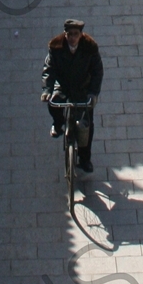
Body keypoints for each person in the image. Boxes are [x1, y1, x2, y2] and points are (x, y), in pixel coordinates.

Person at [41, 18, 103, 173]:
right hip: (63, 86)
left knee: (86, 127)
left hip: (83, 89)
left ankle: (84, 159)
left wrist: (93, 93)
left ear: (81, 35)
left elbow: (97, 72)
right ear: (65, 34)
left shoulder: (90, 48)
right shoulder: (56, 47)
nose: (73, 37)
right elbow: (49, 69)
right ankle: (58, 123)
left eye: (76, 34)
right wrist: (47, 90)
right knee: (54, 102)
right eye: (70, 34)